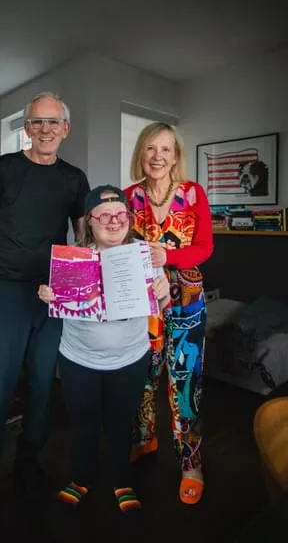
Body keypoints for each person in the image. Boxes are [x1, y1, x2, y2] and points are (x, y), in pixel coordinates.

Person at [0, 92, 90, 518]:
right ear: (26, 128)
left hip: (52, 296)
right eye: (37, 122)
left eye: (54, 122)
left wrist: (75, 288)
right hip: (6, 292)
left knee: (41, 387)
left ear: (66, 128)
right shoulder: (4, 168)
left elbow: (84, 238)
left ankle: (27, 462)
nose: (46, 129)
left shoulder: (74, 178)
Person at [38, 185, 171, 514]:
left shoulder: (144, 255)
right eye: (104, 215)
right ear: (88, 221)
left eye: (120, 214)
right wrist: (48, 295)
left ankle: (121, 480)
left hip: (129, 358)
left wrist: (164, 290)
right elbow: (58, 303)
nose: (114, 222)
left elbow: (161, 304)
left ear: (128, 218)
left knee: (119, 422)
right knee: (83, 423)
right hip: (78, 359)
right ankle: (82, 477)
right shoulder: (71, 258)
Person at [124, 122, 214, 505]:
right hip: (142, 304)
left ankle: (190, 461)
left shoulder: (193, 194)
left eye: (166, 149)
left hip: (187, 301)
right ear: (140, 155)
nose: (158, 156)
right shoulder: (128, 197)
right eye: (150, 149)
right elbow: (118, 245)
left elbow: (205, 246)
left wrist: (169, 257)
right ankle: (145, 439)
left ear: (176, 155)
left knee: (185, 383)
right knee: (142, 374)